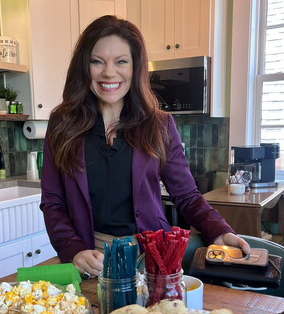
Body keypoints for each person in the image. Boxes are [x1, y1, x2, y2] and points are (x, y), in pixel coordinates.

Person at [41, 15, 250, 278]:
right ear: (84, 66)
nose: (109, 72)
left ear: (135, 66)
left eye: (121, 61)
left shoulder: (160, 124)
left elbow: (186, 195)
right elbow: (53, 202)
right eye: (97, 61)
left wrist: (218, 230)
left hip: (150, 258)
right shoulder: (62, 123)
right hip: (90, 261)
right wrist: (73, 250)